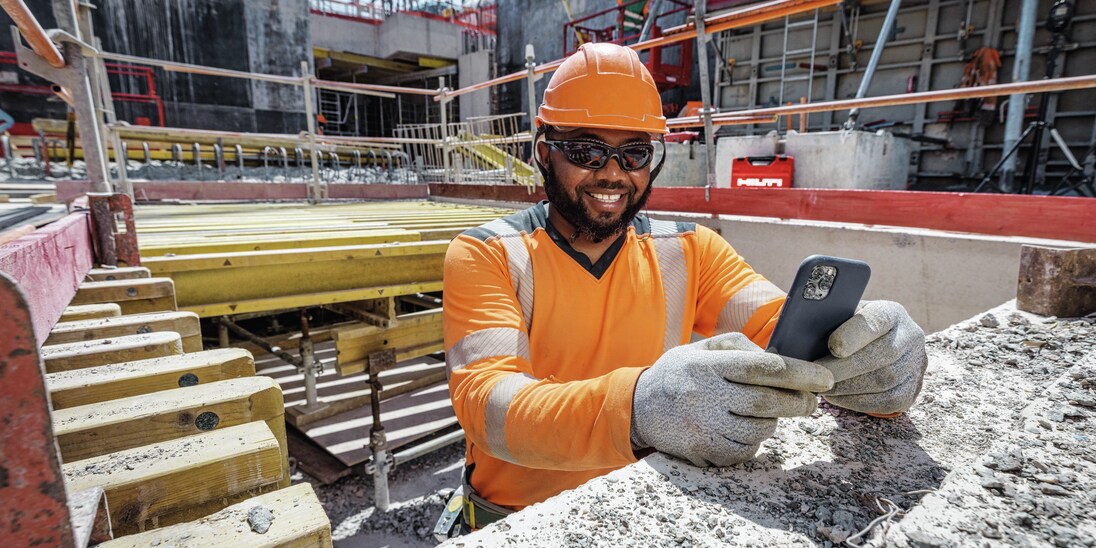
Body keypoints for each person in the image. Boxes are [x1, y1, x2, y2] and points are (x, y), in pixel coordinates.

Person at [441, 42, 927, 531]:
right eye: (587, 151)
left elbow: (780, 327)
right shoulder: (490, 254)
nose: (613, 173)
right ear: (545, 153)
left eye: (634, 153)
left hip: (641, 512)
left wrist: (871, 358)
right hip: (516, 526)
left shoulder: (690, 250)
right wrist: (639, 407)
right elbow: (489, 406)